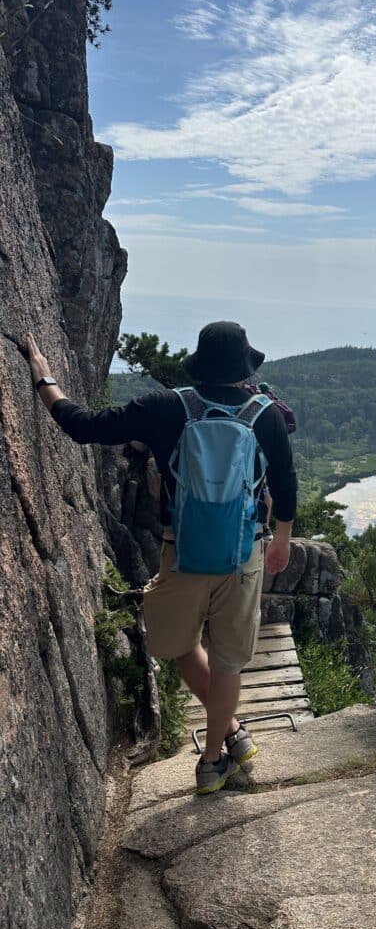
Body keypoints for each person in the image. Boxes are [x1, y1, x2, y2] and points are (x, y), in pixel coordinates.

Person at [25, 321, 297, 794]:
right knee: (230, 662)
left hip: (182, 552)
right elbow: (287, 486)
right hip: (244, 555)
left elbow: (82, 426)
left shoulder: (166, 407)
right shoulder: (266, 414)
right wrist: (281, 540)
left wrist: (44, 378)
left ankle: (222, 743)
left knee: (175, 645)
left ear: (200, 364)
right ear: (244, 367)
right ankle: (220, 750)